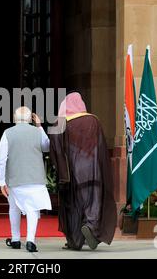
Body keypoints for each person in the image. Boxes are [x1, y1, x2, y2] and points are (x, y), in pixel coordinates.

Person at [49, 92, 117, 250]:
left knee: (72, 204)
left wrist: (60, 170)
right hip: (93, 170)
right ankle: (91, 226)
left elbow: (55, 147)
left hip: (72, 171)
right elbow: (101, 146)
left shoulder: (60, 122)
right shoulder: (93, 120)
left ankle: (75, 241)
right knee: (93, 200)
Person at [0, 106, 52, 253]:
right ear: (29, 119)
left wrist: (1, 181)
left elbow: (1, 160)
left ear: (15, 118)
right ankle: (30, 240)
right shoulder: (36, 132)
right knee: (33, 209)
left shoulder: (7, 133)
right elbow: (47, 147)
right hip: (36, 178)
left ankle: (15, 239)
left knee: (14, 208)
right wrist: (39, 126)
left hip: (14, 179)